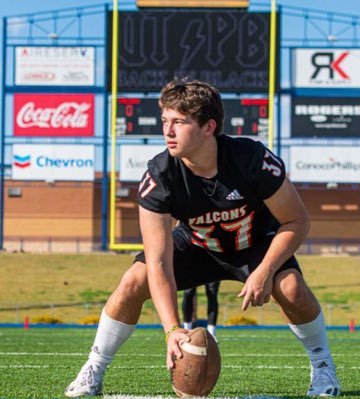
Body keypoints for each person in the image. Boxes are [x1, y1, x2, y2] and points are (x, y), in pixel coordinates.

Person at [65, 79, 341, 398]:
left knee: (291, 287)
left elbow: (297, 221)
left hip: (253, 245)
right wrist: (172, 329)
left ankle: (322, 367)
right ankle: (94, 370)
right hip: (198, 245)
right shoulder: (159, 175)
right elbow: (158, 260)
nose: (168, 131)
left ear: (208, 127)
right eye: (165, 121)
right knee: (132, 281)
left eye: (179, 122)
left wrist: (265, 271)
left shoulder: (251, 159)